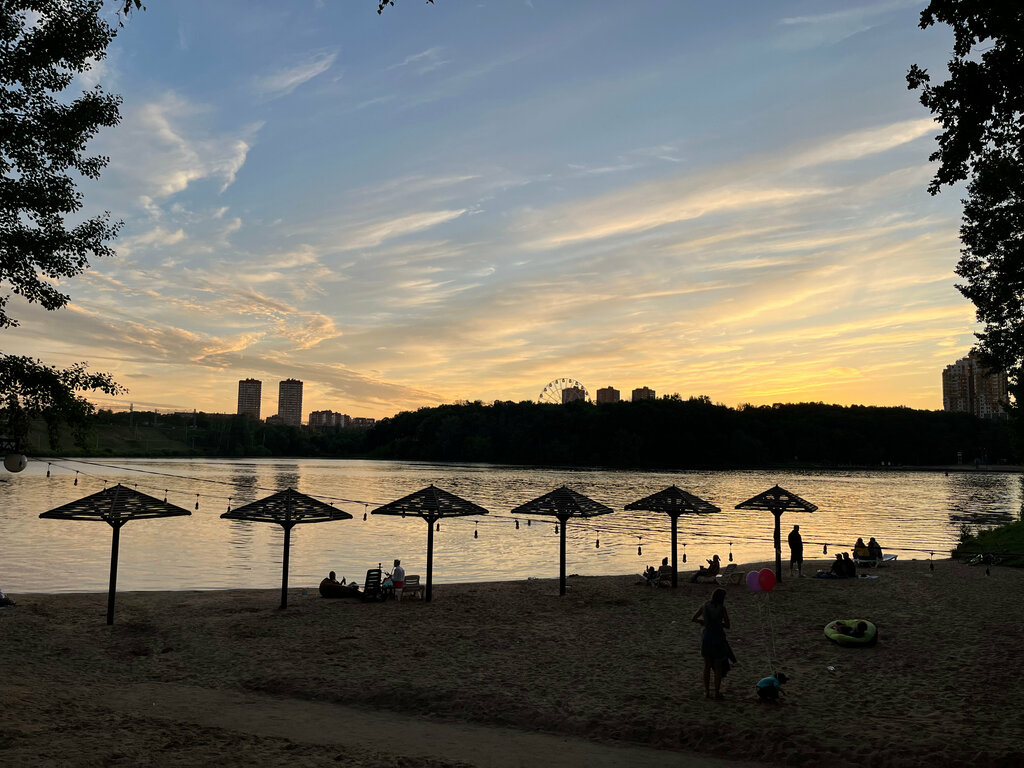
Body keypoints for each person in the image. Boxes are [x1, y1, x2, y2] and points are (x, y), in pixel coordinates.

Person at [692, 588, 735, 700]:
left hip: (707, 637)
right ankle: (716, 692)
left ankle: (707, 692)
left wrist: (704, 622)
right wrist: (718, 624)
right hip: (718, 638)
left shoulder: (705, 606)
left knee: (706, 666)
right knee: (718, 667)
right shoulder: (722, 609)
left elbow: (694, 618)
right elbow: (728, 625)